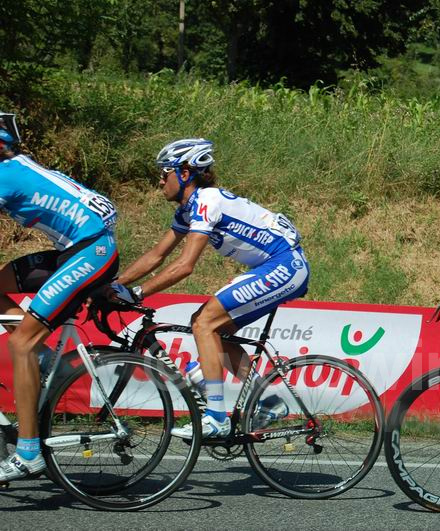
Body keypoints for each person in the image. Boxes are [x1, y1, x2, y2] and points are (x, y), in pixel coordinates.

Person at [112, 138, 309, 439]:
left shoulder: (207, 201)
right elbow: (157, 255)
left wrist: (137, 293)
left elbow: (185, 265)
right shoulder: (188, 210)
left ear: (185, 173)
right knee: (214, 330)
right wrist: (114, 285)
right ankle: (269, 401)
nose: (160, 181)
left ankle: (216, 417)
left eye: (165, 173)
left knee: (203, 322)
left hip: (285, 264)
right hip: (275, 265)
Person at [0, 112, 119, 481]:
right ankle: (43, 357)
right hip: (77, 248)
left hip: (91, 251)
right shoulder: (17, 167)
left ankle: (28, 453)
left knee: (19, 344)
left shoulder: (6, 176)